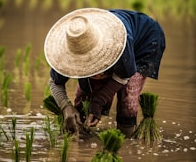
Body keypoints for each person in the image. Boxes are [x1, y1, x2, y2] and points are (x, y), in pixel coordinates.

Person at [44, 8, 165, 138]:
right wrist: (66, 107)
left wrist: (98, 102)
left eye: (90, 62)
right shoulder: (67, 51)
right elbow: (54, 82)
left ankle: (123, 141)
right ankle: (81, 132)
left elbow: (124, 76)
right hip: (113, 42)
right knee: (85, 96)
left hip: (144, 41)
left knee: (128, 100)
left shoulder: (118, 43)